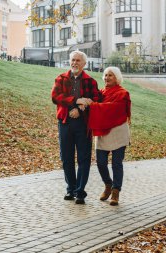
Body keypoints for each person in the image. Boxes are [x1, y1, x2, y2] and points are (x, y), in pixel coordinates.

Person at [51, 50, 100, 204]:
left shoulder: (90, 81)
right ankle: (70, 189)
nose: (75, 63)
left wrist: (80, 109)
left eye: (78, 60)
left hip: (83, 124)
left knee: (84, 158)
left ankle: (80, 192)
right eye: (73, 60)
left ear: (84, 64)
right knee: (66, 157)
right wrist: (77, 101)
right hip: (65, 122)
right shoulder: (61, 78)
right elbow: (55, 97)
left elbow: (96, 99)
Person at [78, 67, 131, 206]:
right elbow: (95, 103)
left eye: (111, 75)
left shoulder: (123, 93)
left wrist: (93, 105)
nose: (107, 78)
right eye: (106, 75)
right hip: (102, 129)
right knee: (101, 162)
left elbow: (113, 109)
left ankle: (115, 191)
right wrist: (86, 104)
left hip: (118, 130)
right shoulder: (100, 93)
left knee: (116, 163)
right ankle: (108, 184)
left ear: (117, 78)